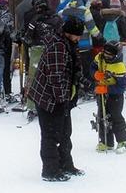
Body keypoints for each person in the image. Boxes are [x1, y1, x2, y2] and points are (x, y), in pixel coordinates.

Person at [27, 16, 84, 182]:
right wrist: (60, 101)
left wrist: (83, 82)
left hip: (62, 96)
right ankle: (50, 170)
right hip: (48, 98)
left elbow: (72, 70)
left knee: (65, 132)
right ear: (69, 33)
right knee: (51, 135)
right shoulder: (58, 46)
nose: (79, 39)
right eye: (77, 35)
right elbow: (55, 76)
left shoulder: (69, 44)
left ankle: (65, 164)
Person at [92, 41, 126, 153]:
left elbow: (122, 87)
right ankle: (105, 142)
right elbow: (92, 67)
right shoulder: (99, 57)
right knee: (102, 116)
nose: (106, 56)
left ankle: (122, 141)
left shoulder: (119, 66)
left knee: (115, 116)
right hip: (101, 93)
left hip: (115, 95)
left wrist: (107, 89)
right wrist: (95, 74)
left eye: (110, 55)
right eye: (105, 53)